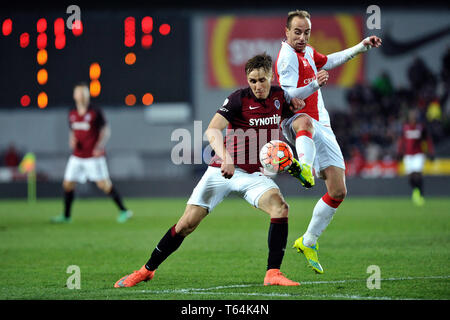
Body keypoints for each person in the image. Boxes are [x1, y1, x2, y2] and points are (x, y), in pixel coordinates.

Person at [114, 53, 305, 288]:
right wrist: (225, 158)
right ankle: (146, 270)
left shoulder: (280, 97)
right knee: (186, 225)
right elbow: (213, 130)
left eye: (262, 80)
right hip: (221, 171)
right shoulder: (237, 99)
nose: (257, 86)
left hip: (255, 176)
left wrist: (302, 101)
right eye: (252, 81)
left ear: (271, 76)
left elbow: (295, 107)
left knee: (280, 207)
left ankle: (273, 273)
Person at [275, 10, 382, 274]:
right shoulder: (287, 58)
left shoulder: (308, 52)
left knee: (338, 191)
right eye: (297, 32)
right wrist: (314, 85)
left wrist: (361, 46)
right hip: (297, 120)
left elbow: (329, 60)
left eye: (306, 32)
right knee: (305, 124)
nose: (302, 37)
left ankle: (308, 241)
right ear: (286, 32)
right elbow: (288, 96)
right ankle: (304, 168)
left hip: (321, 124)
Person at [51, 83, 132, 223]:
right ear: (74, 95)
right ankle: (66, 216)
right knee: (68, 184)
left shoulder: (95, 112)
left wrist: (99, 146)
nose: (81, 96)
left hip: (93, 157)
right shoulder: (71, 113)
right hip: (77, 155)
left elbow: (105, 131)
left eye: (84, 93)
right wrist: (72, 141)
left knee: (104, 185)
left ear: (88, 95)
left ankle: (124, 211)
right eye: (79, 93)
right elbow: (72, 131)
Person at [397, 109, 435, 206]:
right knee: (410, 177)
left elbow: (427, 140)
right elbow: (401, 140)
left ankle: (420, 195)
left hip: (418, 154)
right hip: (408, 155)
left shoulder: (421, 127)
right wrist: (399, 152)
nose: (413, 117)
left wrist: (430, 151)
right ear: (409, 117)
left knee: (417, 175)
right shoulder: (405, 127)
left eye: (414, 115)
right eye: (411, 115)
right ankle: (416, 191)